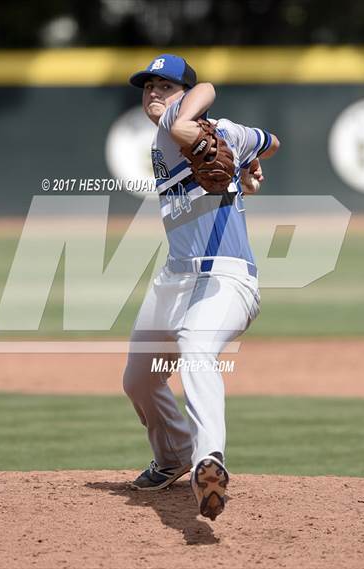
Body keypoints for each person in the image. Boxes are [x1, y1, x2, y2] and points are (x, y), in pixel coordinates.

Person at [124, 54, 280, 521]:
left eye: (165, 86)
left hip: (227, 276)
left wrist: (249, 159)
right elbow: (249, 139)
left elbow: (264, 135)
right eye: (147, 86)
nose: (153, 93)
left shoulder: (205, 124)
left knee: (195, 343)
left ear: (182, 95)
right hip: (174, 277)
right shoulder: (170, 131)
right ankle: (173, 455)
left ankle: (208, 461)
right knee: (139, 379)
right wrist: (245, 167)